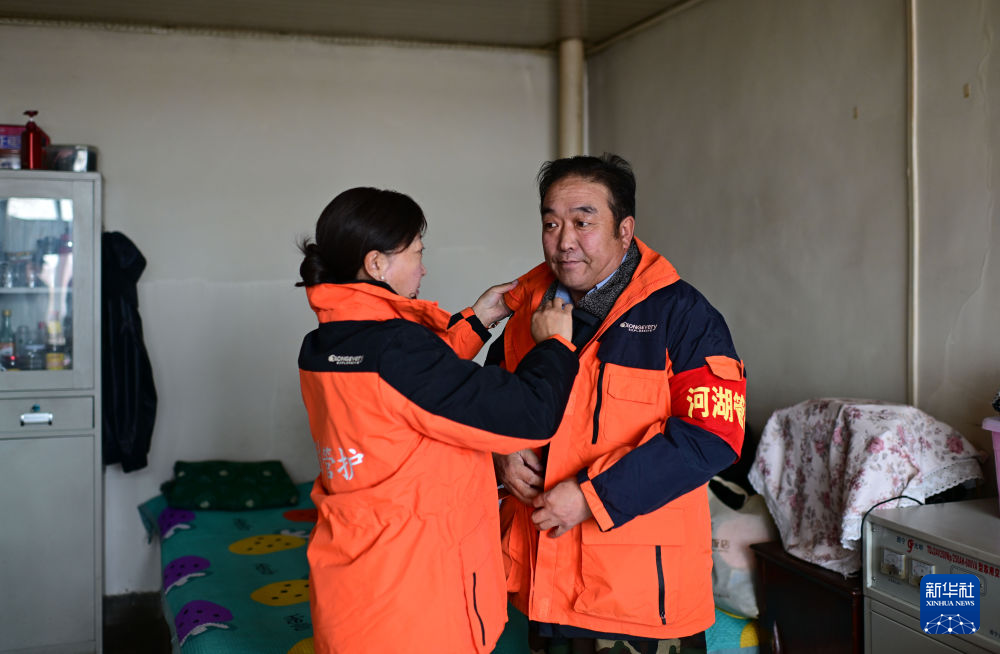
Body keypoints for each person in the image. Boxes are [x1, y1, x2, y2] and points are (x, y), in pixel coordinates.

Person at [297, 186, 580, 654]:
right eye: (417, 252)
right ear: (376, 264)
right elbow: (529, 415)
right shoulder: (396, 351)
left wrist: (479, 319)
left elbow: (414, 390)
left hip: (353, 587)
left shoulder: (325, 344)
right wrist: (554, 345)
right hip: (414, 604)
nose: (423, 268)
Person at [490, 155, 747, 654]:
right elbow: (491, 399)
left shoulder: (682, 315)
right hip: (539, 582)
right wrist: (504, 452)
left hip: (637, 596)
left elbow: (712, 437)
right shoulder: (528, 307)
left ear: (624, 230)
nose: (564, 241)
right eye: (551, 223)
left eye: (583, 223)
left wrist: (592, 497)